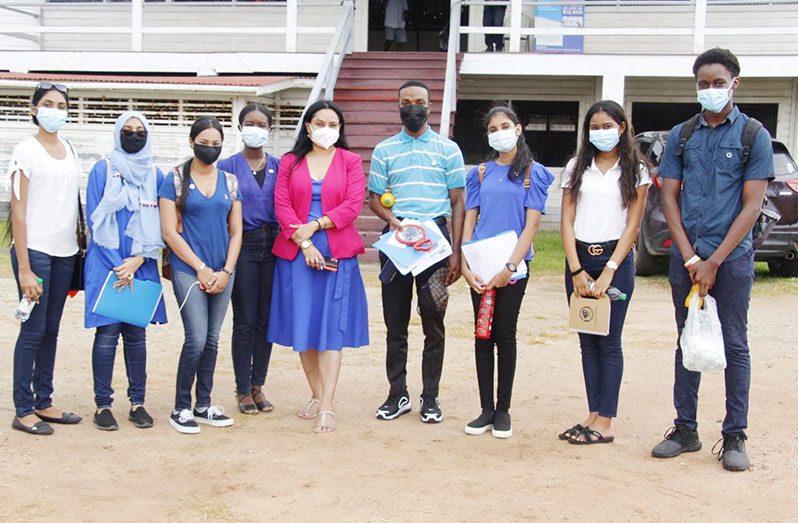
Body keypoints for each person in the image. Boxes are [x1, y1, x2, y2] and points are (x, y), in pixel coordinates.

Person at [651, 48, 773, 471]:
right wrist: (690, 257)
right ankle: (685, 429)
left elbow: (752, 205)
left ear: (734, 83)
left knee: (734, 344)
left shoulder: (753, 135)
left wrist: (714, 261)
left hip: (732, 260)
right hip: (687, 260)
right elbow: (668, 195)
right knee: (687, 338)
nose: (710, 90)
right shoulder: (682, 135)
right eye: (703, 84)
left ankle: (734, 435)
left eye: (717, 83)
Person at [268, 100, 369, 434]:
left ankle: (327, 403)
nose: (327, 129)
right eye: (320, 123)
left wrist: (316, 227)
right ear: (308, 127)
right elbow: (281, 206)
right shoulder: (290, 162)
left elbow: (352, 205)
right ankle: (315, 392)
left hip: (336, 249)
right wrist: (305, 242)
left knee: (330, 328)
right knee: (304, 325)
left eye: (334, 124)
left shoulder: (350, 161)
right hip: (297, 252)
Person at [368, 80, 466, 423]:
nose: (414, 107)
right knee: (395, 323)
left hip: (435, 245)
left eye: (420, 101)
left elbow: (458, 202)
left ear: (430, 105)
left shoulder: (448, 150)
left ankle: (430, 397)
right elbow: (374, 198)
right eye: (407, 102)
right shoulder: (384, 150)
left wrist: (455, 251)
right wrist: (394, 221)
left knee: (433, 321)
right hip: (397, 243)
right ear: (398, 107)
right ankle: (398, 395)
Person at [560, 100, 651, 445]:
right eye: (594, 128)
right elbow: (567, 220)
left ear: (622, 127)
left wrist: (610, 271)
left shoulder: (636, 170)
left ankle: (607, 421)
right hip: (580, 260)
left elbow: (633, 225)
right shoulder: (576, 167)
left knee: (609, 341)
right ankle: (592, 413)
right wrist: (577, 270)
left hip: (616, 262)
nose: (601, 133)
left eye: (607, 126)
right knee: (587, 341)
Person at [461, 105, 553, 439]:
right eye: (492, 128)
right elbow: (470, 218)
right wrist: (466, 262)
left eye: (504, 125)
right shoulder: (480, 173)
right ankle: (485, 408)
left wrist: (510, 267)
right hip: (481, 265)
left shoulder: (533, 172)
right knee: (481, 334)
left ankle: (503, 410)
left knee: (505, 334)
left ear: (518, 129)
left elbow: (531, 226)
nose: (498, 132)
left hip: (512, 267)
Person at [159, 117, 243, 434]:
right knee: (195, 338)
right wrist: (201, 267)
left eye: (216, 143)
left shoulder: (230, 182)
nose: (211, 148)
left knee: (211, 339)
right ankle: (181, 407)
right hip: (188, 270)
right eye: (204, 142)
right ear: (191, 142)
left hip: (223, 271)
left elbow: (236, 233)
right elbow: (169, 231)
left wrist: (226, 270)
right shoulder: (175, 179)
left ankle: (204, 405)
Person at [7, 82, 82, 436]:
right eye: (48, 103)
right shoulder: (25, 150)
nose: (55, 110)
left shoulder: (69, 148)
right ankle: (23, 409)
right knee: (33, 329)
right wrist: (24, 268)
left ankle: (44, 399)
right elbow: (17, 212)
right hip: (35, 253)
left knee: (51, 330)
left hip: (65, 251)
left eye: (61, 104)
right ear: (35, 109)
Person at [85, 111, 167, 431]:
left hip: (141, 265)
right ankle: (103, 405)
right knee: (106, 337)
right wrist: (120, 266)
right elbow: (95, 221)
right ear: (118, 133)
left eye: (140, 131)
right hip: (108, 267)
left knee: (136, 337)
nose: (134, 136)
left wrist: (137, 262)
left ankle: (138, 403)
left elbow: (162, 225)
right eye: (128, 131)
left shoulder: (155, 175)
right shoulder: (102, 170)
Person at [218, 103, 279, 415]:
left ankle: (258, 385)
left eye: (262, 123)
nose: (256, 128)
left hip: (274, 246)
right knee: (245, 320)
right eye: (250, 123)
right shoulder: (226, 166)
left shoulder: (280, 166)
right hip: (242, 245)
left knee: (266, 320)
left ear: (269, 129)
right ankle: (242, 389)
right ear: (240, 127)